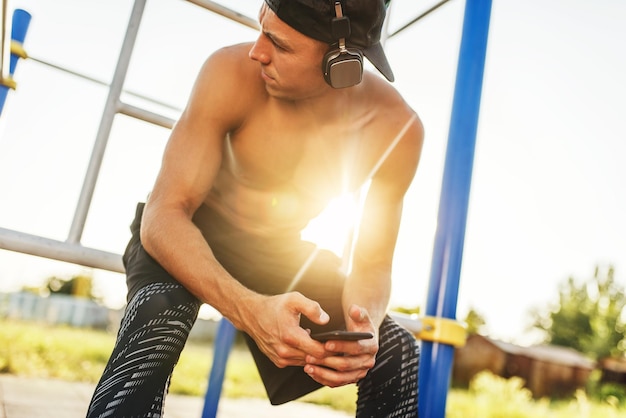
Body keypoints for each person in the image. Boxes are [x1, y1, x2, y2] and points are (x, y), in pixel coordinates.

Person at [87, 0, 424, 416]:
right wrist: (249, 311)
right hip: (187, 227)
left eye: (279, 45)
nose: (257, 51)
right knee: (161, 310)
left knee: (394, 350)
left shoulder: (397, 130)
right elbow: (163, 215)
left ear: (341, 62)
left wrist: (366, 326)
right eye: (261, 29)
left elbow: (372, 264)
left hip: (275, 250)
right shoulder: (229, 72)